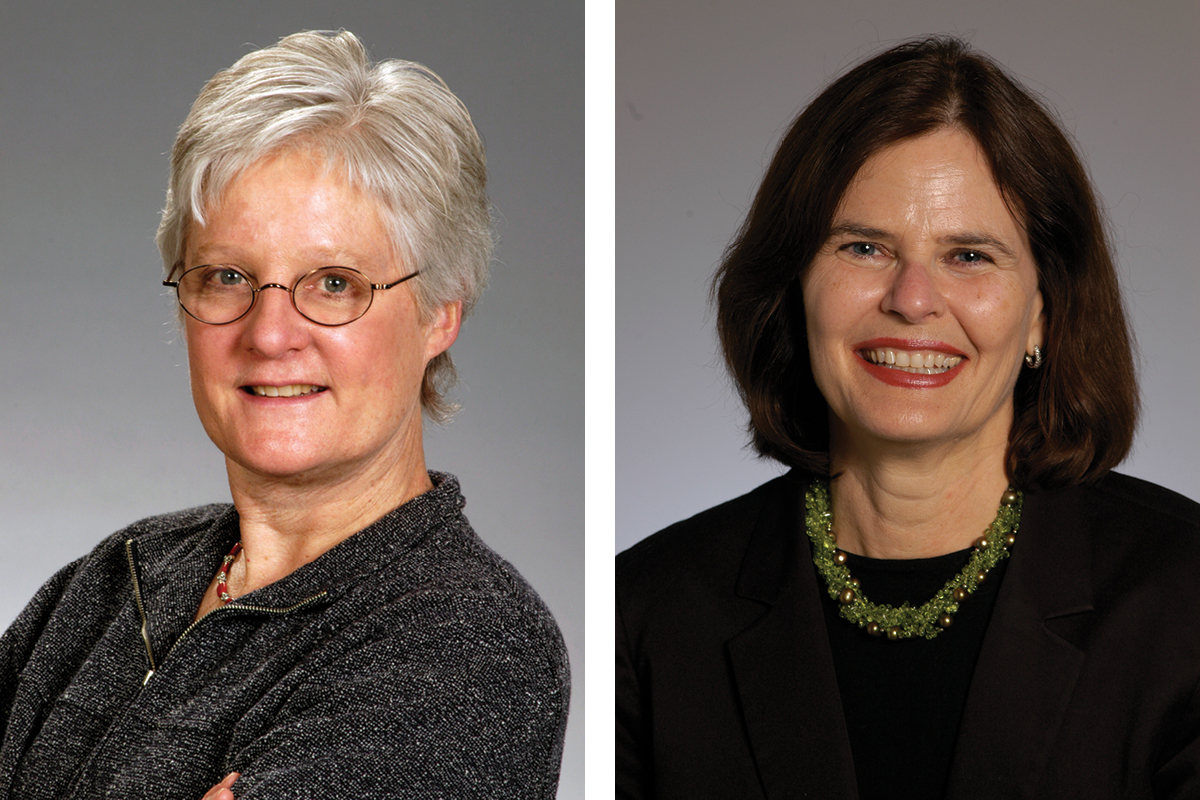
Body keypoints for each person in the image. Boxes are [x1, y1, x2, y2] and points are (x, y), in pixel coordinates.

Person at [617, 36, 1200, 799]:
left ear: (1043, 315)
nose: (912, 299)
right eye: (863, 247)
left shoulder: (1183, 596)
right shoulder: (649, 614)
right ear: (794, 287)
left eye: (969, 256)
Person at [0, 30, 568, 800]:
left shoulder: (470, 648)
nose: (269, 335)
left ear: (440, 314)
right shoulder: (115, 579)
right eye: (228, 275)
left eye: (335, 283)